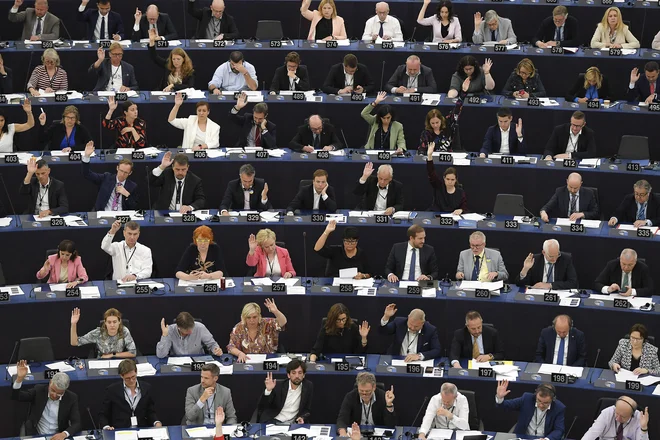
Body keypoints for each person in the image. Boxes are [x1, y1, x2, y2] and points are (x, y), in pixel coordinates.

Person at [11, 359, 81, 437]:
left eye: (59, 394)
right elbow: (17, 396)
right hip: (36, 434)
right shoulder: (39, 390)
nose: (54, 395)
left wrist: (64, 434)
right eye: (53, 390)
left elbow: (77, 423)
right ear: (50, 382)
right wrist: (19, 379)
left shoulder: (71, 398)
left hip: (58, 435)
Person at [99, 359, 162, 428]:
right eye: (127, 378)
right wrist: (106, 426)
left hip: (141, 428)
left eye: (133, 377)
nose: (131, 381)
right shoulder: (112, 390)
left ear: (136, 372)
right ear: (121, 376)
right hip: (121, 429)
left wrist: (156, 422)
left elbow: (150, 411)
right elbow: (103, 414)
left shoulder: (146, 388)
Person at [495, 381, 565, 440]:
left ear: (553, 399)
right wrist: (500, 398)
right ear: (536, 395)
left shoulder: (558, 408)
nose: (541, 405)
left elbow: (559, 430)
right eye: (539, 401)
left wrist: (547, 439)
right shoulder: (527, 399)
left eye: (545, 403)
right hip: (523, 437)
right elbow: (505, 406)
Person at [82, 142, 138, 211]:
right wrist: (86, 157)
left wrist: (127, 195)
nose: (122, 174)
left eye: (126, 172)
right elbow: (87, 174)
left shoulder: (132, 186)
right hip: (104, 213)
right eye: (121, 171)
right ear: (117, 168)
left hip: (121, 215)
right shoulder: (106, 178)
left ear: (130, 173)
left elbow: (133, 207)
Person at [70, 307, 136, 357]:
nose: (112, 325)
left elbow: (133, 352)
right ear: (105, 322)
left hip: (119, 360)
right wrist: (74, 324)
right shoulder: (98, 332)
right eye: (109, 322)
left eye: (114, 322)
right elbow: (75, 342)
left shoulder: (124, 331)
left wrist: (112, 355)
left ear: (119, 322)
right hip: (102, 360)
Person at [417, 87, 467, 153]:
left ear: (441, 119)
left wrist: (463, 93)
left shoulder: (448, 124)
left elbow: (456, 110)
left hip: (449, 157)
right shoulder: (426, 134)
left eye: (437, 122)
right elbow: (421, 149)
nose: (435, 125)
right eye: (433, 123)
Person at [157, 311, 223, 357]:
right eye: (187, 330)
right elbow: (161, 355)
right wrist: (164, 336)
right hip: (177, 363)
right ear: (178, 328)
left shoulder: (200, 327)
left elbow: (212, 344)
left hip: (197, 362)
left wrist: (216, 350)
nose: (191, 332)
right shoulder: (170, 330)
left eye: (192, 328)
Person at [582, 396, 649, 440]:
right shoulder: (607, 412)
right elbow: (592, 433)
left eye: (623, 416)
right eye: (617, 413)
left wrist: (644, 428)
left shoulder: (638, 418)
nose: (618, 419)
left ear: (632, 415)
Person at [425, 148, 467, 213]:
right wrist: (429, 156)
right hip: (437, 216)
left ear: (456, 180)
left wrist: (461, 210)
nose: (450, 182)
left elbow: (463, 206)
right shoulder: (438, 186)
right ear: (444, 178)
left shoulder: (460, 192)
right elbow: (431, 173)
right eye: (447, 179)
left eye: (452, 180)